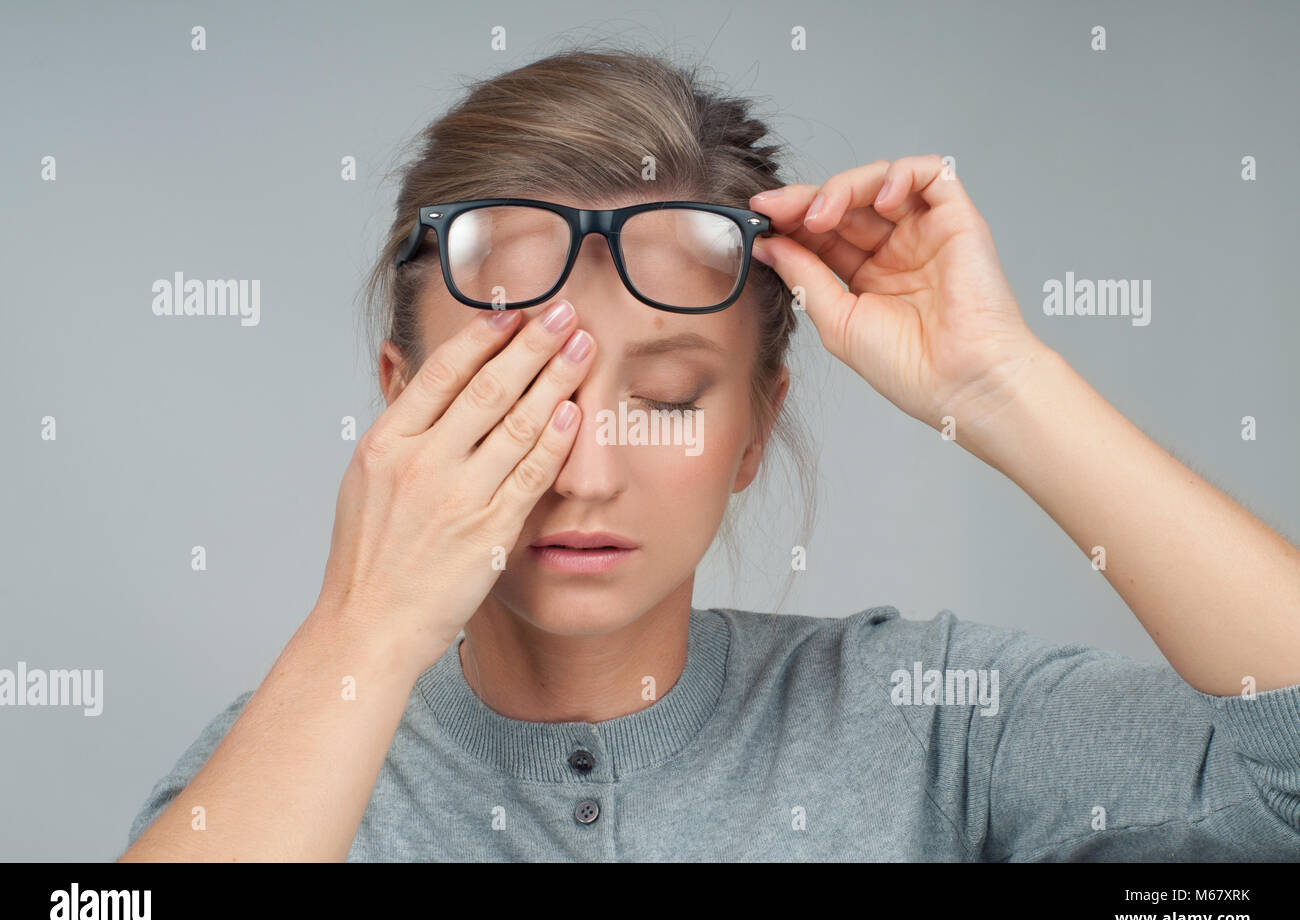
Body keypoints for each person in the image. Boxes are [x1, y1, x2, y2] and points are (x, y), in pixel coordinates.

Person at [119, 46, 1300, 862]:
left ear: (754, 429)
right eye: (520, 394)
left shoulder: (931, 722)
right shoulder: (289, 759)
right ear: (399, 413)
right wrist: (362, 627)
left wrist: (1003, 383)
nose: (583, 470)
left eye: (672, 396)